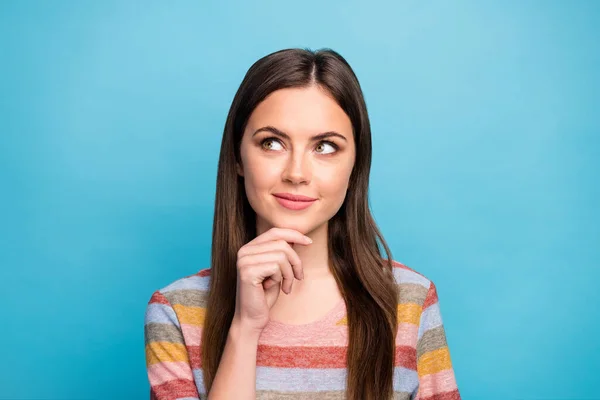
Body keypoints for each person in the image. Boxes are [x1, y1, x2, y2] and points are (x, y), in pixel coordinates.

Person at [144, 48, 461, 400]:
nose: (296, 174)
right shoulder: (176, 311)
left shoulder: (409, 301)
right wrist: (244, 329)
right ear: (237, 157)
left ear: (355, 165)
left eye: (325, 147)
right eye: (272, 143)